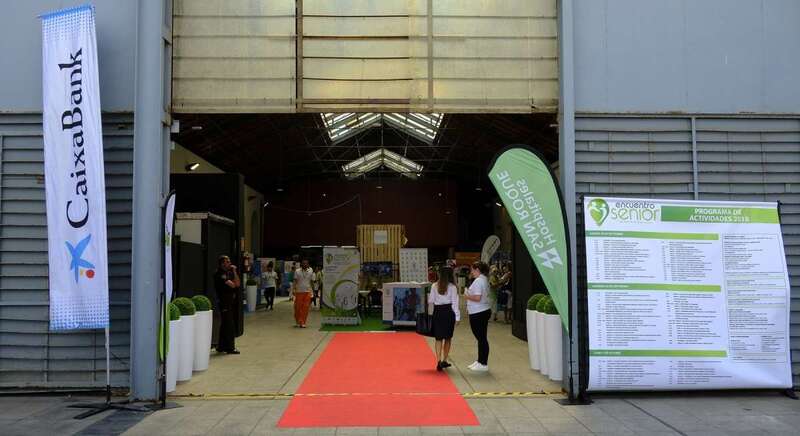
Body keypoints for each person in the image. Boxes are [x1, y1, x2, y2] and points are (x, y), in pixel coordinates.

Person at [428, 267, 459, 371]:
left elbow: (431, 300)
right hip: (448, 312)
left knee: (438, 338)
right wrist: (457, 317)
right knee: (448, 337)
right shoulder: (452, 287)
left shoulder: (434, 285)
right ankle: (445, 360)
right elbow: (455, 303)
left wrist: (431, 313)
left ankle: (438, 361)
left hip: (438, 312)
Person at [464, 261, 491, 371]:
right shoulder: (483, 279)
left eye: (472, 270)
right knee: (481, 338)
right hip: (482, 311)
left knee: (481, 338)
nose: (471, 272)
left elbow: (477, 297)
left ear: (477, 270)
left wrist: (467, 296)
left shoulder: (479, 280)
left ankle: (483, 363)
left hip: (478, 312)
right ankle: (480, 361)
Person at [214, 255, 241, 354]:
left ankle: (221, 347)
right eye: (227, 261)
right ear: (222, 263)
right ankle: (230, 348)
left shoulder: (229, 272)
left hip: (229, 303)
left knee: (225, 324)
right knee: (229, 325)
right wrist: (233, 281)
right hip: (224, 303)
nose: (230, 262)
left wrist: (234, 271)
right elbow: (233, 285)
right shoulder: (220, 274)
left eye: (229, 261)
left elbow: (238, 284)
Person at [293, 259, 315, 328]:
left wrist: (313, 291)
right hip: (299, 291)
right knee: (297, 307)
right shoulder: (297, 271)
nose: (305, 265)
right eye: (303, 263)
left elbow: (311, 281)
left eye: (306, 263)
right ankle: (297, 321)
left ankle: (303, 322)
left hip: (307, 291)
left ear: (308, 264)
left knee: (305, 307)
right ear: (301, 264)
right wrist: (293, 289)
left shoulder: (311, 271)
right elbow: (295, 281)